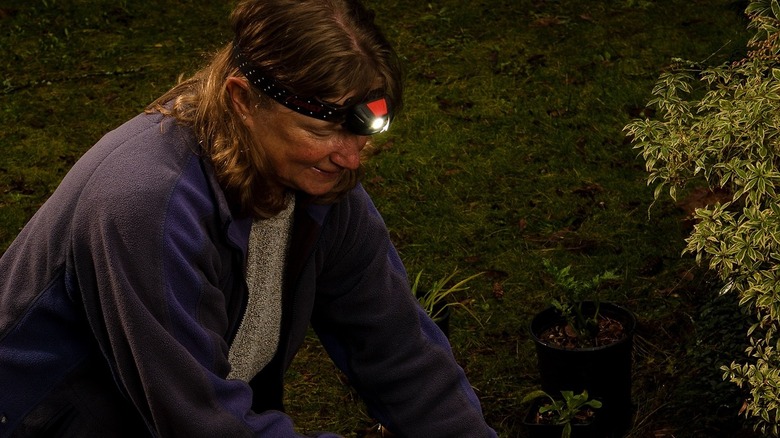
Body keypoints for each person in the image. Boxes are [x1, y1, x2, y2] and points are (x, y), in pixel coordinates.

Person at [0, 0, 496, 436]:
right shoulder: (146, 206)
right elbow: (202, 421)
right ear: (242, 100)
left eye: (365, 132)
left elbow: (399, 351)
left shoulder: (321, 185)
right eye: (320, 131)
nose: (351, 159)